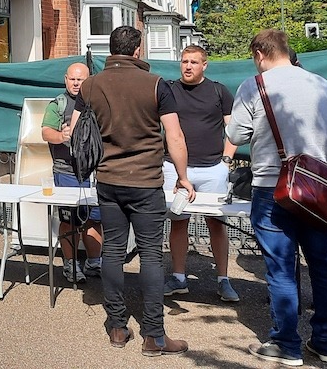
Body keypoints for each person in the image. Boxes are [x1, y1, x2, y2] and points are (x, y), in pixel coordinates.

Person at [69, 26, 194, 357]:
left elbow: (75, 131)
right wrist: (183, 177)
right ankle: (154, 336)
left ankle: (117, 327)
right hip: (146, 182)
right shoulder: (157, 84)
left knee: (112, 251)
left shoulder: (91, 84)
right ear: (137, 50)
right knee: (151, 254)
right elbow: (174, 136)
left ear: (112, 50)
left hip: (108, 181)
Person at [227, 29, 327, 366]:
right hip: (317, 190)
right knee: (323, 266)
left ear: (259, 54)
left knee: (280, 268)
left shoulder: (255, 85)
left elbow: (236, 134)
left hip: (271, 187)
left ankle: (286, 344)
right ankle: (326, 342)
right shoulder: (325, 86)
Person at [162, 45, 239, 303]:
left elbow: (234, 130)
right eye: (184, 61)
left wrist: (226, 162)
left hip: (212, 170)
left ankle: (223, 280)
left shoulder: (219, 91)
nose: (188, 66)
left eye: (194, 62)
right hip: (175, 170)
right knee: (178, 222)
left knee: (216, 224)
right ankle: (178, 278)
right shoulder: (169, 90)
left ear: (204, 65)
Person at [41, 61, 102, 283]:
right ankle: (71, 264)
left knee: (95, 219)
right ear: (66, 80)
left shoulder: (98, 101)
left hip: (95, 174)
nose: (76, 83)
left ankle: (94, 263)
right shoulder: (58, 104)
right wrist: (62, 136)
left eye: (81, 79)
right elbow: (46, 132)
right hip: (66, 172)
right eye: (72, 79)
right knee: (70, 220)